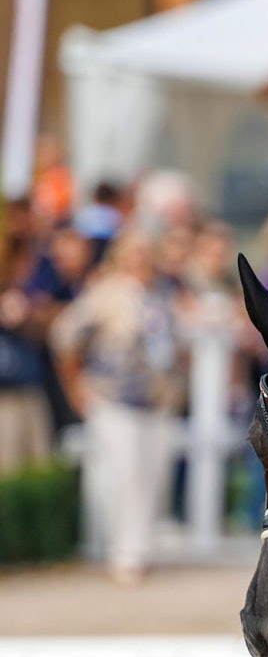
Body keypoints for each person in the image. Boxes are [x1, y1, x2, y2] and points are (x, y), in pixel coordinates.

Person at [49, 229, 187, 585]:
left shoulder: (162, 294)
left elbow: (175, 343)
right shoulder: (105, 294)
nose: (140, 261)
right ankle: (125, 554)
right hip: (114, 397)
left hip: (157, 400)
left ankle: (144, 547)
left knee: (153, 476)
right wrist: (76, 388)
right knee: (125, 477)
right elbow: (64, 336)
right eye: (134, 254)